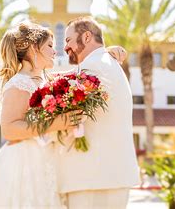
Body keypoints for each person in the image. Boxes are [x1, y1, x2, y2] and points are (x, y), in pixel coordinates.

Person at [0, 22, 128, 208]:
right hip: (24, 163)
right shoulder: (19, 83)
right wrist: (58, 123)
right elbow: (9, 130)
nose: (55, 51)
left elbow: (79, 73)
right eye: (49, 46)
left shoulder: (44, 80)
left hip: (45, 160)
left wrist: (105, 53)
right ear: (33, 48)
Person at [57, 16, 141, 209]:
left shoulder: (92, 66)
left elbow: (74, 117)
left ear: (86, 37)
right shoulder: (108, 63)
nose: (65, 47)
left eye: (68, 40)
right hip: (112, 175)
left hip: (91, 177)